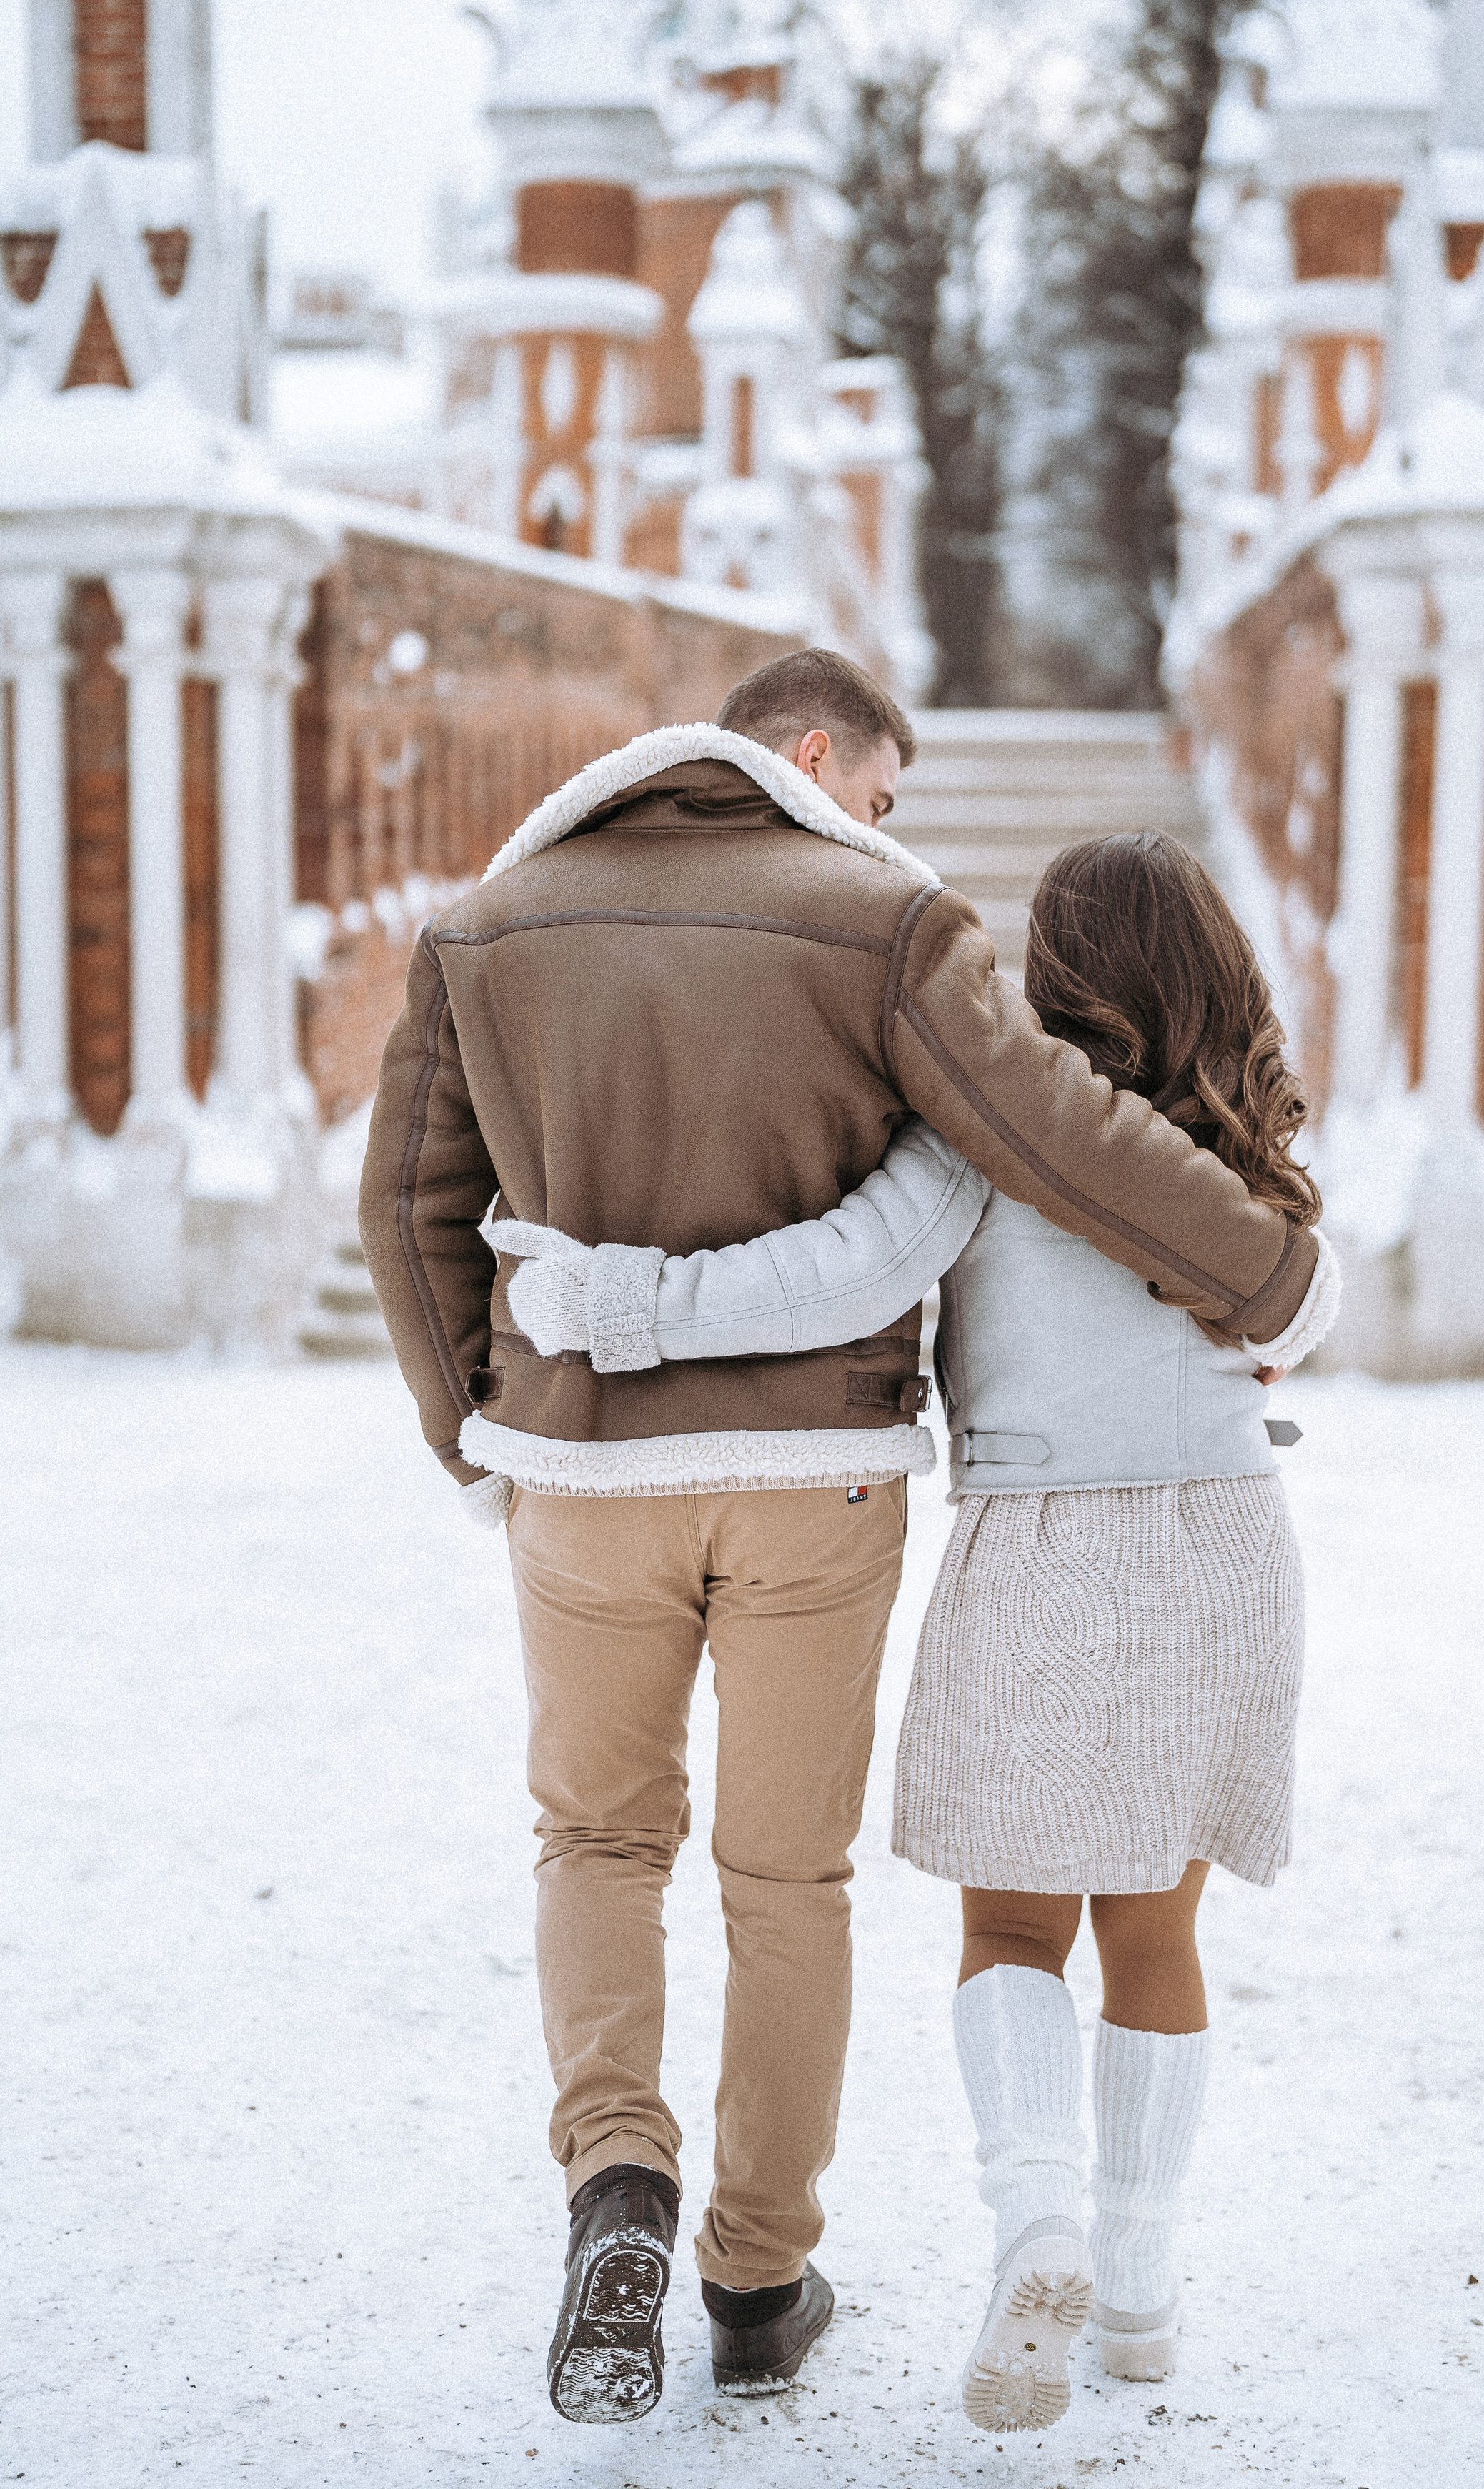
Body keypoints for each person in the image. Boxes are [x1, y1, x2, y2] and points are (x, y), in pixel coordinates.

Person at [359, 651, 1320, 2425]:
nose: (880, 831)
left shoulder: (481, 924)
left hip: (579, 1480)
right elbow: (1035, 1140)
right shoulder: (886, 928)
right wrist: (1269, 1268)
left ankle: (615, 2182)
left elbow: (411, 1197)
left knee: (592, 1840)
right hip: (817, 1479)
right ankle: (753, 2273)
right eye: (876, 795)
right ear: (808, 757)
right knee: (783, 1880)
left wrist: (476, 1429)